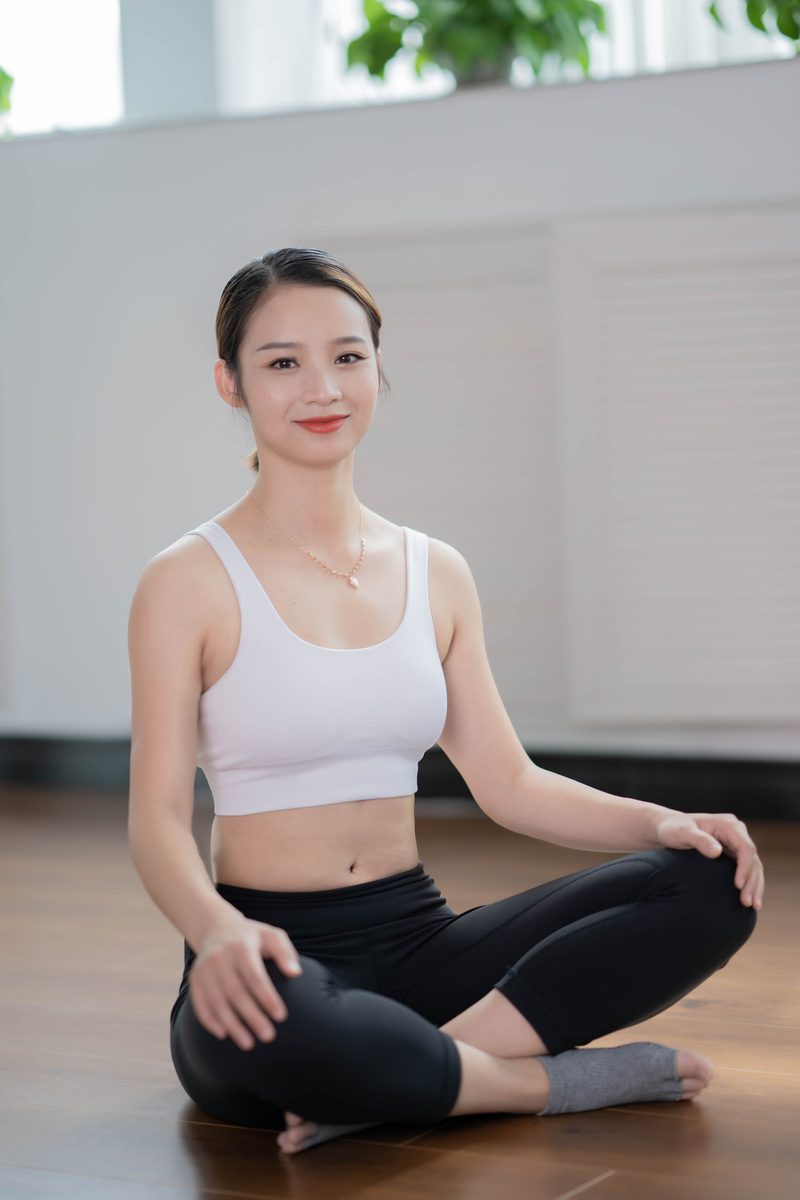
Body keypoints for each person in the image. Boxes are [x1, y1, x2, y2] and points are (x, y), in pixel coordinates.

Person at [127, 247, 763, 1156]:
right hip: (270, 959)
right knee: (285, 1038)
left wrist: (665, 823)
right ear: (230, 383)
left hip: (424, 946)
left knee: (713, 883)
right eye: (282, 362)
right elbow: (153, 816)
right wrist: (215, 931)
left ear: (380, 369)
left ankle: (404, 1079)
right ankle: (543, 1083)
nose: (322, 388)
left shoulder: (437, 572)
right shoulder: (186, 581)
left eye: (348, 356)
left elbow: (509, 783)